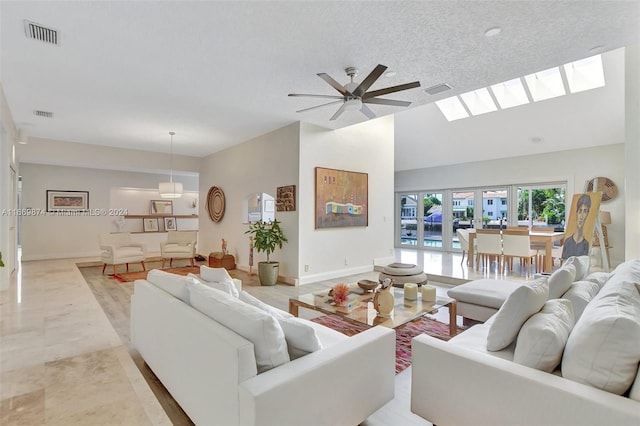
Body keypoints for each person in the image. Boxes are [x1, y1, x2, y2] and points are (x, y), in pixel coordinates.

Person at [562, 194, 592, 259]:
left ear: (587, 214)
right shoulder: (568, 242)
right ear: (576, 213)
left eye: (585, 211)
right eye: (580, 211)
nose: (581, 216)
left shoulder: (586, 244)